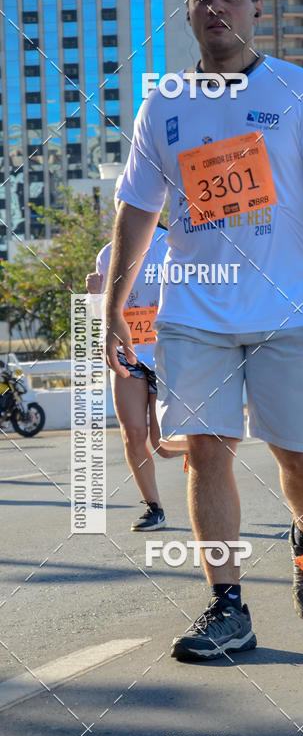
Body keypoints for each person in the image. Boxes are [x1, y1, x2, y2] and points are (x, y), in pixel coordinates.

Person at [104, 0, 303, 661]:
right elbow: (137, 211)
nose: (215, 8)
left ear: (253, 10)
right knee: (205, 453)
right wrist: (113, 307)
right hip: (194, 312)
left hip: (289, 308)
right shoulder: (162, 103)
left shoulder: (297, 91)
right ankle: (228, 606)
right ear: (188, 12)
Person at [86, 188, 176, 531]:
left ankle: (206, 453)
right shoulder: (109, 256)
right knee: (132, 435)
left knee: (163, 444)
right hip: (128, 355)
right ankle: (154, 508)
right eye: (123, 203)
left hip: (169, 355)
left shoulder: (173, 245)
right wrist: (96, 297)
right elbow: (106, 317)